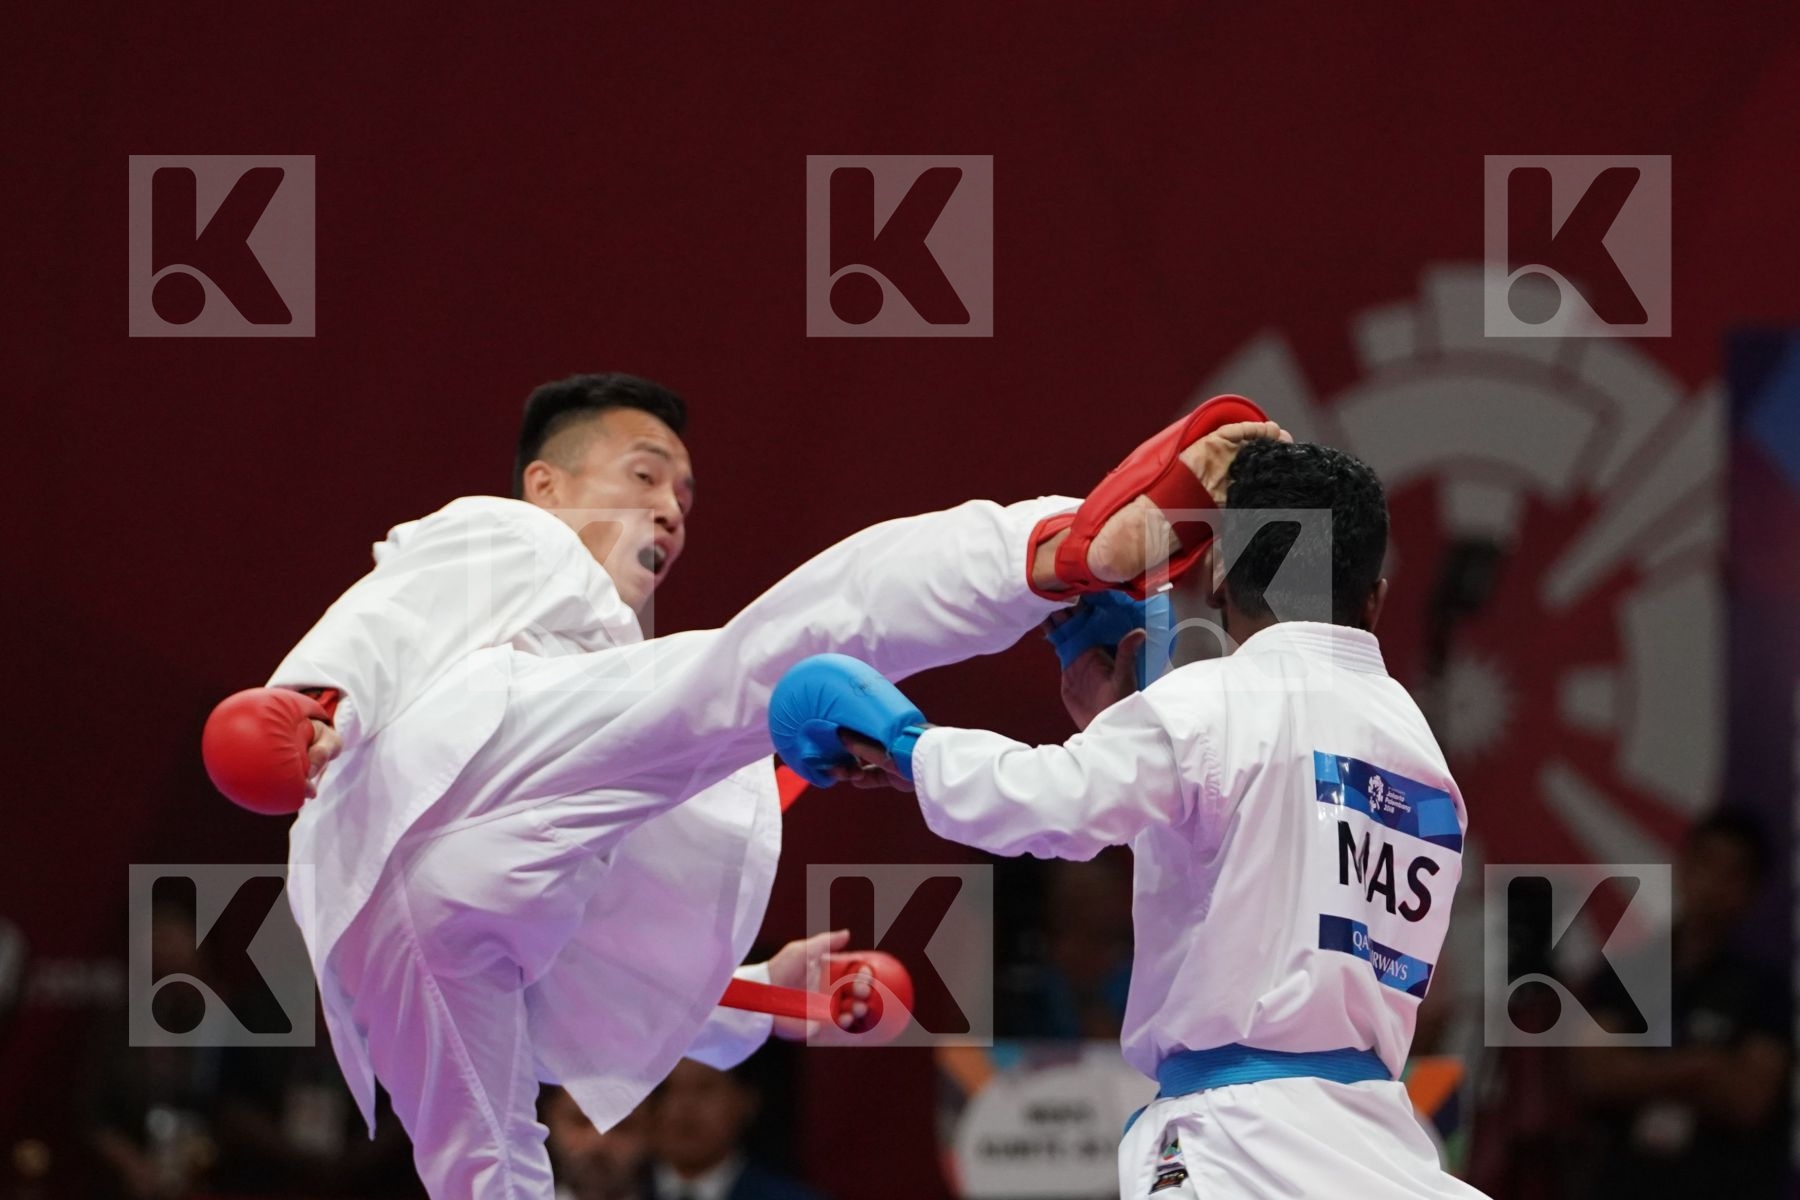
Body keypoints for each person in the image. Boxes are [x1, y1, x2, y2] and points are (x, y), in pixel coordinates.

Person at [206, 374, 1281, 1197]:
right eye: (642, 474)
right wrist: (314, 699)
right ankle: (1055, 547)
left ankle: (1062, 552)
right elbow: (397, 611)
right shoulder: (511, 536)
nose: (670, 506)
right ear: (547, 483)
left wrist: (762, 997)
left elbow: (591, 974)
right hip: (442, 767)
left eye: (683, 491)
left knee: (485, 1174)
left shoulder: (603, 707)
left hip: (410, 936)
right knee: (759, 665)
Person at [771, 439, 1489, 1198]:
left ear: (1217, 579)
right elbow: (1254, 872)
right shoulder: (1423, 760)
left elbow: (1048, 803)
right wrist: (1118, 731)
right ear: (1374, 596)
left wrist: (904, 748)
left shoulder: (1214, 704)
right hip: (1382, 1152)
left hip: (1240, 1152)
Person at [1573, 810, 1790, 1198]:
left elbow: (1748, 1100)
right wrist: (1700, 1068)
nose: (1715, 885)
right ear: (1683, 867)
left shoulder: (1766, 992)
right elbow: (1596, 1075)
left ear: (1753, 888)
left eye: (1733, 873)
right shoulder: (1624, 974)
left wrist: (1642, 1072)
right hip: (1623, 1183)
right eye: (1706, 863)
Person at [641, 1060, 821, 1200]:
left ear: (747, 1101)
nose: (684, 1106)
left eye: (705, 1087)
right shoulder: (622, 1190)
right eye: (667, 1089)